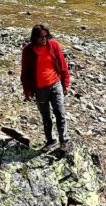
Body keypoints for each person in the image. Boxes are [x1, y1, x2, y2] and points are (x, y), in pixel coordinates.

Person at [20, 23, 71, 151]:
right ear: (34, 37)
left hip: (55, 84)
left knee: (60, 113)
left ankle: (64, 140)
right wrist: (28, 91)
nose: (44, 39)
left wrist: (65, 84)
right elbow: (25, 73)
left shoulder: (53, 45)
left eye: (46, 36)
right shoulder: (28, 51)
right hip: (39, 88)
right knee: (46, 116)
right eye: (41, 37)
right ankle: (50, 141)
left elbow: (63, 65)